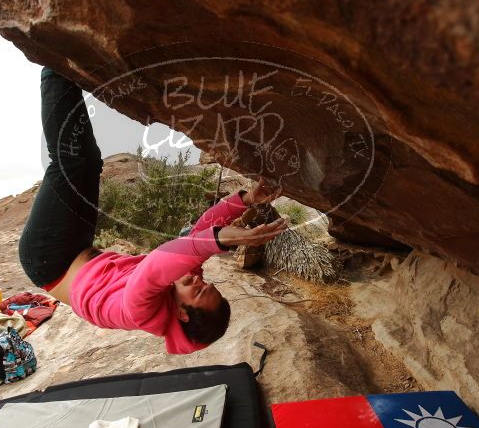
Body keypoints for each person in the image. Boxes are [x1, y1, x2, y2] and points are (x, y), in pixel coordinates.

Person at [19, 68, 286, 354]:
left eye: (198, 291)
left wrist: (223, 239)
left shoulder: (139, 311)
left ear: (182, 314)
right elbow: (199, 234)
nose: (198, 280)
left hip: (50, 259)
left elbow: (155, 266)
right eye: (207, 285)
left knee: (70, 166)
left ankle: (54, 69)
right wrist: (247, 199)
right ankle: (63, 74)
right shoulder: (181, 285)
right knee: (88, 164)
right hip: (78, 251)